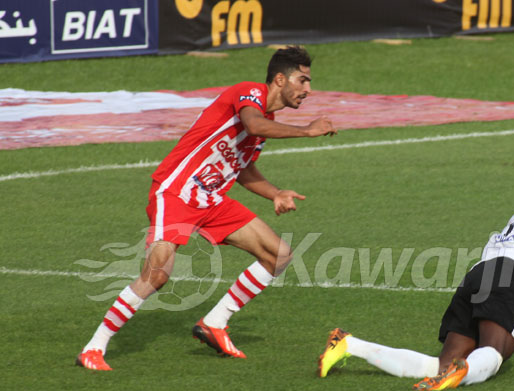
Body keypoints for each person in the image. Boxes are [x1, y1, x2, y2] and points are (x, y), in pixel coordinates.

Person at [76, 46, 337, 371]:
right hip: (177, 192)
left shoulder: (267, 120)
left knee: (278, 255)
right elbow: (253, 125)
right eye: (303, 81)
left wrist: (274, 193)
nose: (308, 90)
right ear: (280, 79)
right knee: (157, 274)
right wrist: (307, 130)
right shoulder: (249, 94)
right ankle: (94, 348)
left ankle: (215, 322)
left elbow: (242, 169)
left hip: (211, 200)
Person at [318, 166, 514, 390]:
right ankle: (461, 374)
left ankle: (349, 345)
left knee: (440, 364)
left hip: (480, 273)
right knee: (493, 354)